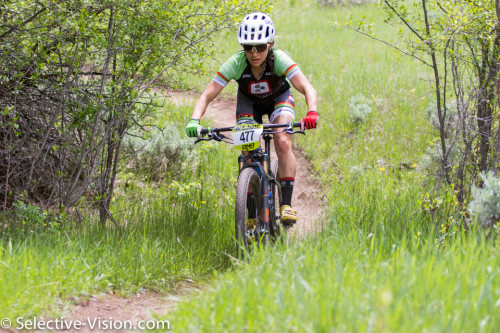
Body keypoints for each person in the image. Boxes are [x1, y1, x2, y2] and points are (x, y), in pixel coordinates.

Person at [185, 12, 318, 225]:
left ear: (271, 44)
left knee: (282, 140)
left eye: (260, 47)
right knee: (247, 150)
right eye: (248, 47)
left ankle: (286, 204)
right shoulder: (236, 63)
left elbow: (307, 88)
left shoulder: (280, 60)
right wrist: (194, 119)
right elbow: (206, 95)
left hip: (279, 100)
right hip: (249, 104)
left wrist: (312, 112)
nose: (254, 53)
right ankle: (250, 216)